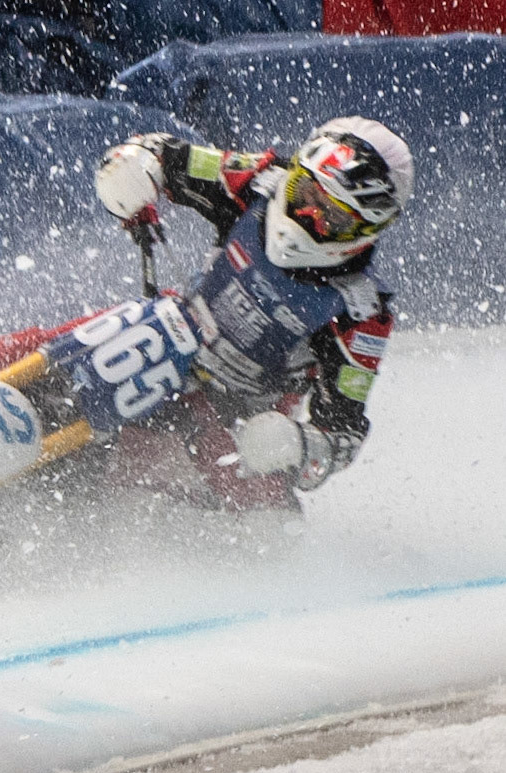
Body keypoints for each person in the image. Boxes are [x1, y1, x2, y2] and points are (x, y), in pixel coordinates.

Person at [79, 116, 412, 508]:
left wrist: (295, 443)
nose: (306, 214)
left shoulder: (361, 312)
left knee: (266, 520)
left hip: (235, 416)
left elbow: (344, 437)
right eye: (305, 192)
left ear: (366, 228)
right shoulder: (258, 180)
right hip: (163, 333)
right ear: (295, 173)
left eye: (332, 215)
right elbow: (168, 154)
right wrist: (136, 165)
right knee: (42, 347)